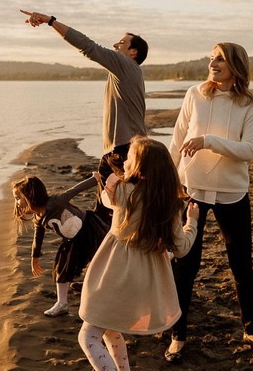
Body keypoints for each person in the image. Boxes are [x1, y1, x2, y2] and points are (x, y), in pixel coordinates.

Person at [164, 42, 253, 363]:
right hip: (192, 192)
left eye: (220, 59)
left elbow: (249, 150)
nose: (213, 63)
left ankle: (251, 330)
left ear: (236, 66)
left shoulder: (252, 104)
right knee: (185, 267)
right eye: (212, 58)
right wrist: (171, 181)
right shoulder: (194, 94)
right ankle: (177, 336)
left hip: (232, 194)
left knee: (241, 266)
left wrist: (208, 141)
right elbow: (176, 138)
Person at [77, 136, 199, 371]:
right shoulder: (170, 204)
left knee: (88, 336)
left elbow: (104, 197)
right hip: (143, 281)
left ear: (140, 170)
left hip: (114, 274)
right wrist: (191, 222)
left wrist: (111, 183)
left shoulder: (122, 191)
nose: (124, 163)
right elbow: (182, 248)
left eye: (129, 159)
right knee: (110, 331)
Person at [19, 10, 148, 206]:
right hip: (120, 150)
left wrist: (51, 21)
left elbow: (88, 46)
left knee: (118, 210)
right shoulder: (125, 72)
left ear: (133, 52)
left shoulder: (126, 66)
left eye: (121, 43)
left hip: (125, 151)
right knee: (108, 210)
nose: (114, 45)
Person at [12, 173, 109, 317]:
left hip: (89, 228)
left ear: (30, 196)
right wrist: (35, 258)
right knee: (62, 266)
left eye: (18, 198)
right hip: (72, 239)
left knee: (96, 260)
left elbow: (75, 190)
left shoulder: (55, 202)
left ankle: (94, 287)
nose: (17, 202)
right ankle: (62, 303)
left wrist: (95, 179)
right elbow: (38, 237)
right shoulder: (38, 217)